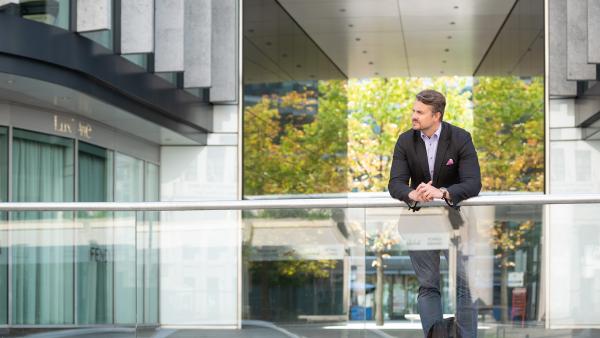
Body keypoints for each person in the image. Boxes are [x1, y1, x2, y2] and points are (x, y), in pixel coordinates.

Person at [388, 89, 481, 337]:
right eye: (413, 110)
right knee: (428, 286)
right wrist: (413, 194)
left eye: (419, 112)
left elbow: (473, 183)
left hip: (457, 223)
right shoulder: (405, 141)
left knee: (465, 286)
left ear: (436, 115)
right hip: (421, 223)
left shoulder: (460, 138)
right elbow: (395, 183)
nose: (413, 116)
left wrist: (443, 192)